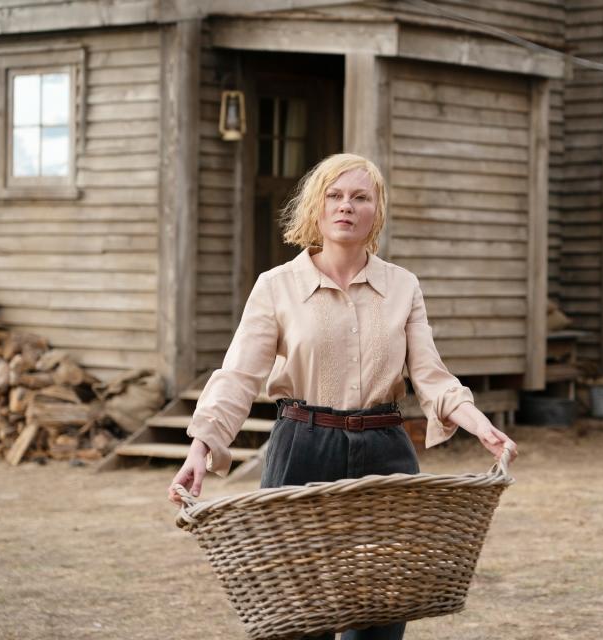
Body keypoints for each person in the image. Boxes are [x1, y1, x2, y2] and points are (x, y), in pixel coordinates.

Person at [168, 152, 517, 640]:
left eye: (359, 197)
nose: (345, 207)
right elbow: (238, 376)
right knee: (297, 613)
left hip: (385, 451)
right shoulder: (276, 286)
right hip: (302, 450)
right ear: (316, 207)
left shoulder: (403, 286)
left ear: (377, 211)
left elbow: (430, 375)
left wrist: (481, 425)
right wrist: (201, 446)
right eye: (334, 195)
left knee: (383, 613)